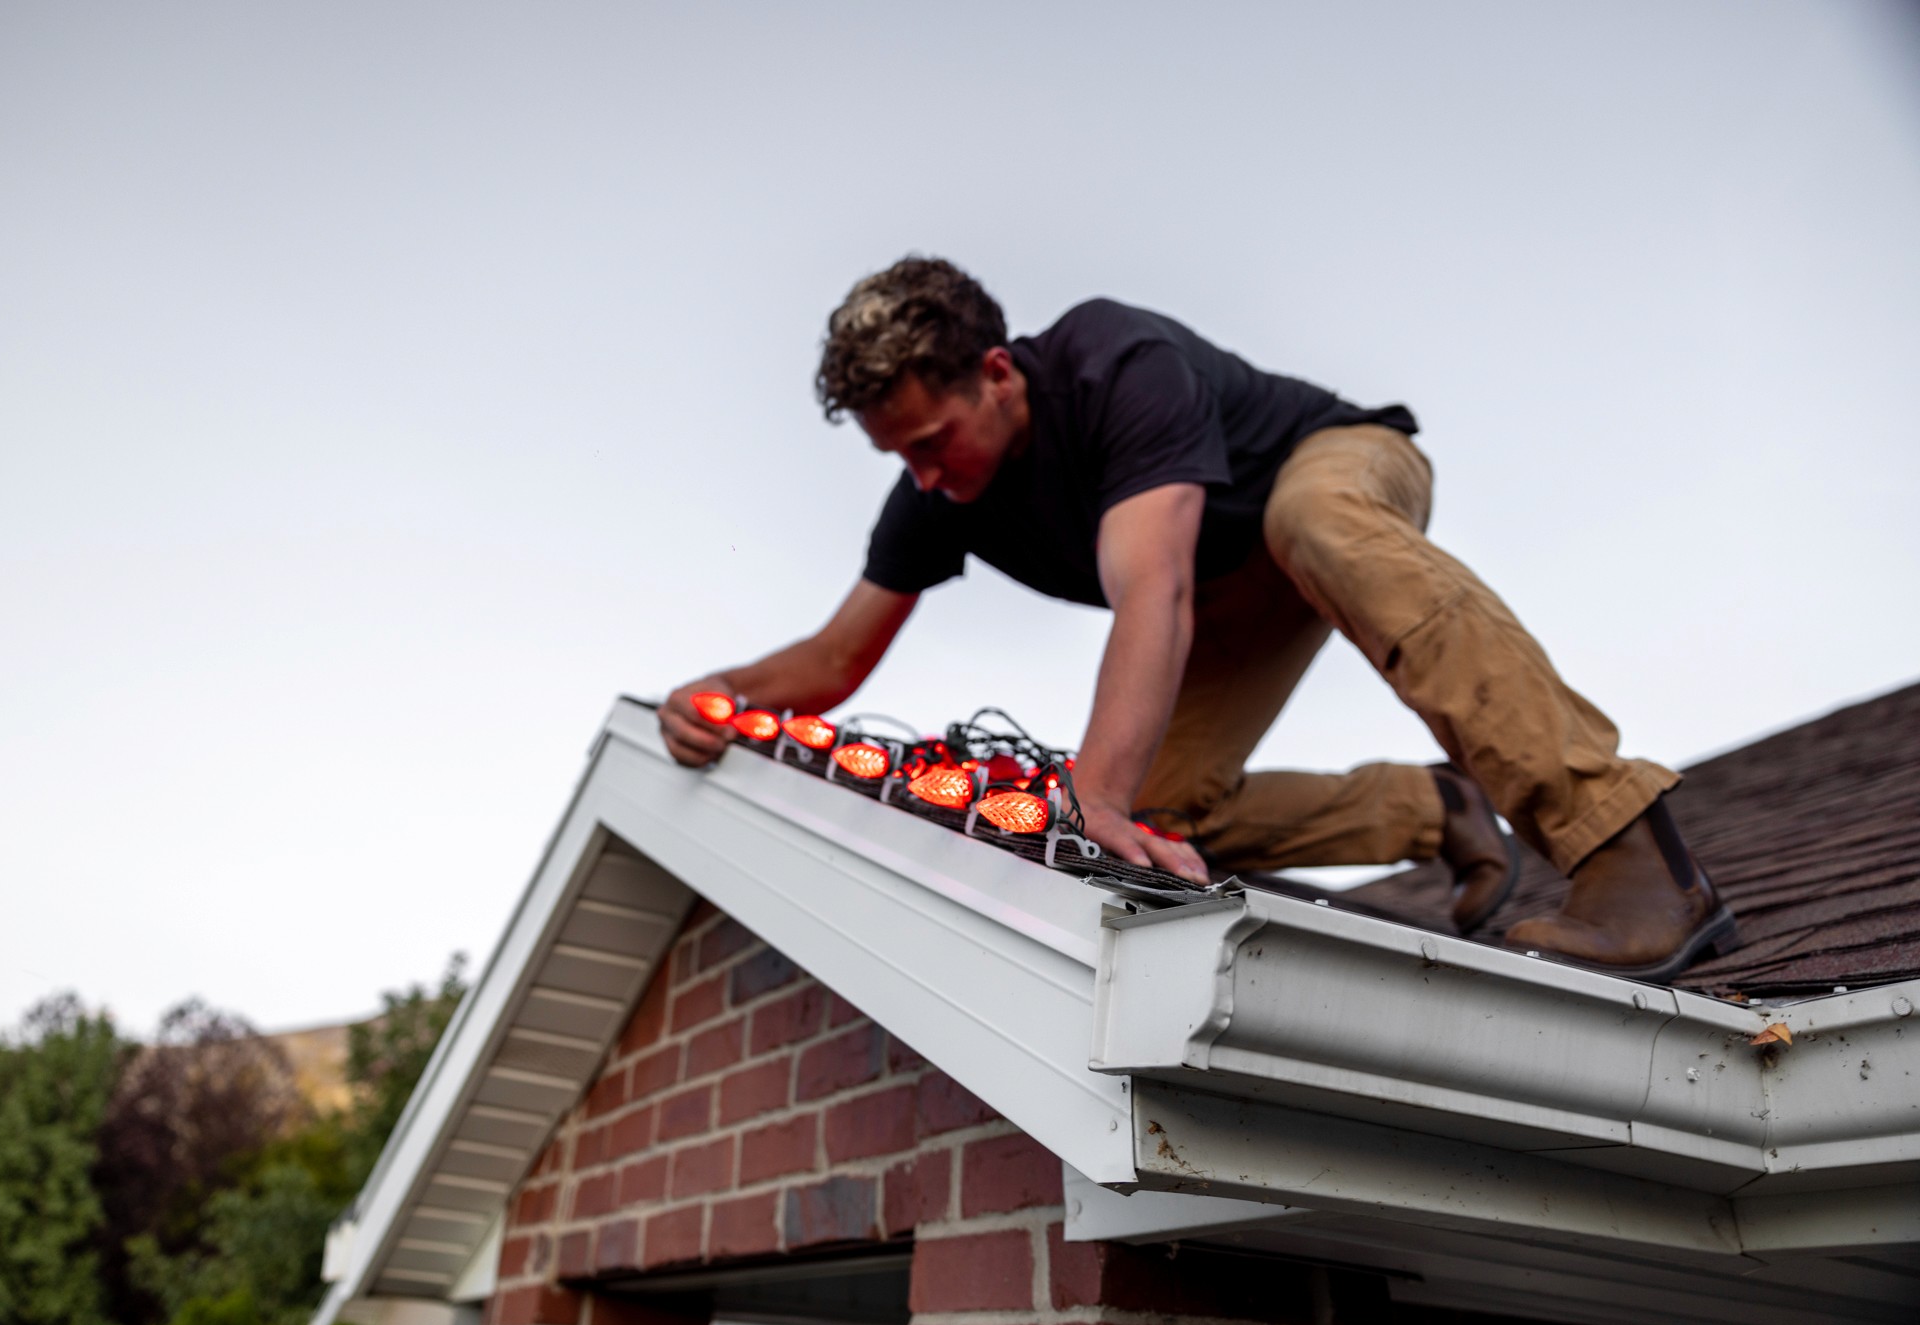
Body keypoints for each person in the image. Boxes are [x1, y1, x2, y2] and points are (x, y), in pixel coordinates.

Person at [657, 257, 1734, 980]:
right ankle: (1428, 811)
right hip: (1221, 595)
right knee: (1151, 829)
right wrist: (712, 698)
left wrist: (1094, 790)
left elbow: (1150, 594)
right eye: (899, 459)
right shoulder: (938, 498)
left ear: (995, 373)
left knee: (1312, 522)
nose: (924, 477)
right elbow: (836, 655)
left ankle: (1632, 857)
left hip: (1326, 478)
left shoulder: (1112, 363)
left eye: (932, 441)